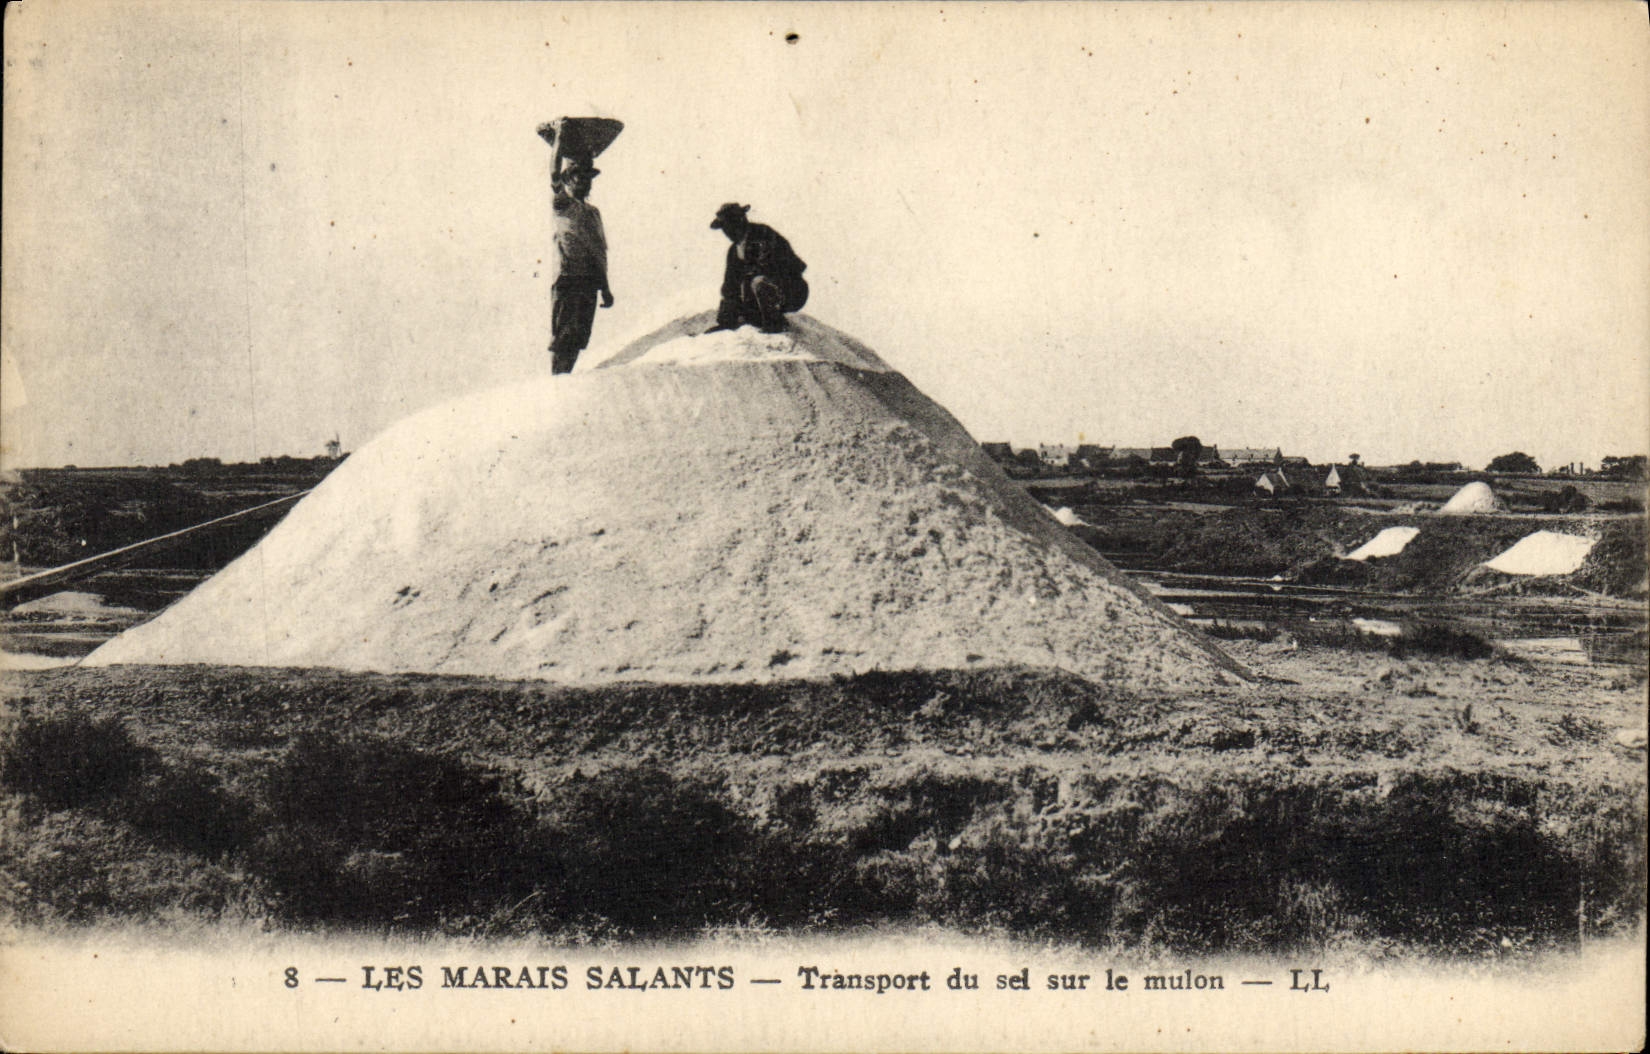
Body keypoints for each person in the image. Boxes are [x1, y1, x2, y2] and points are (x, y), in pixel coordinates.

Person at [548, 159, 613, 374]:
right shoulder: (563, 205)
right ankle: (557, 382)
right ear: (568, 180)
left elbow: (599, 251)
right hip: (569, 278)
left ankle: (564, 379)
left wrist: (605, 288)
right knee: (564, 337)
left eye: (588, 178)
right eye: (579, 177)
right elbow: (554, 173)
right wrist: (559, 136)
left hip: (589, 281)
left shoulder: (594, 213)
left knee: (578, 338)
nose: (585, 183)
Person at [707, 203, 808, 334]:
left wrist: (748, 280)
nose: (727, 232)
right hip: (757, 293)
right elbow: (730, 285)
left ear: (740, 221)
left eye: (729, 226)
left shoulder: (763, 235)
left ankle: (775, 324)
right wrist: (726, 319)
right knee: (742, 297)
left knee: (759, 282)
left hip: (791, 290)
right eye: (724, 228)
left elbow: (779, 267)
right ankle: (754, 319)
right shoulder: (733, 251)